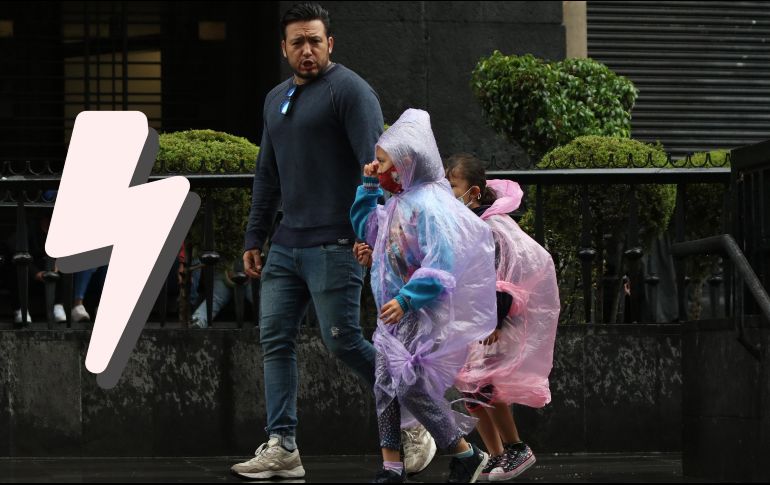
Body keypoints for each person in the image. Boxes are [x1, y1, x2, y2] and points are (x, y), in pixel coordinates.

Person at [232, 3, 434, 480]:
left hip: (337, 241)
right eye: (297, 42)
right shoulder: (275, 99)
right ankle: (282, 446)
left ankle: (415, 418)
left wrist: (373, 235)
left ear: (330, 44)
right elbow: (267, 174)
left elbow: (376, 168)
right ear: (283, 49)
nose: (307, 50)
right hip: (286, 243)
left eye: (315, 41)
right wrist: (255, 235)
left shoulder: (350, 91)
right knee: (274, 340)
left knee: (342, 341)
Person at [350, 109, 497, 483]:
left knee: (410, 387)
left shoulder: (428, 207)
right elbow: (369, 229)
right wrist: (368, 188)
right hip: (391, 314)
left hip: (416, 313)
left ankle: (464, 452)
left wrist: (407, 298)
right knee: (384, 387)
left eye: (382, 162)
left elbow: (441, 265)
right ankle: (391, 466)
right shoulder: (399, 203)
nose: (376, 167)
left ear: (406, 164)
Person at [447, 154, 560, 482]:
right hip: (474, 320)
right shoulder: (468, 225)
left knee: (485, 385)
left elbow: (504, 274)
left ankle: (516, 447)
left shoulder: (492, 226)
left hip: (494, 320)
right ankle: (496, 455)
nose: (448, 193)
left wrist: (494, 321)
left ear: (474, 191)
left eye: (453, 186)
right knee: (471, 391)